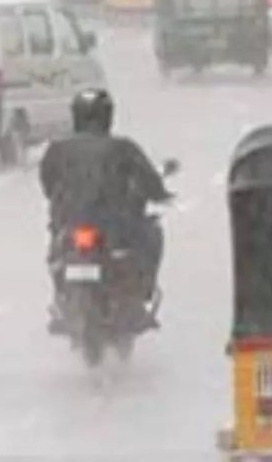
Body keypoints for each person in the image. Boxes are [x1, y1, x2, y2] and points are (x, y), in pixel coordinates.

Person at [38, 88, 172, 328]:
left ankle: (63, 299)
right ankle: (141, 296)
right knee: (152, 233)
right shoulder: (123, 148)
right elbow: (149, 180)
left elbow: (47, 184)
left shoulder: (56, 149)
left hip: (69, 224)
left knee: (57, 247)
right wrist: (160, 193)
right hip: (114, 227)